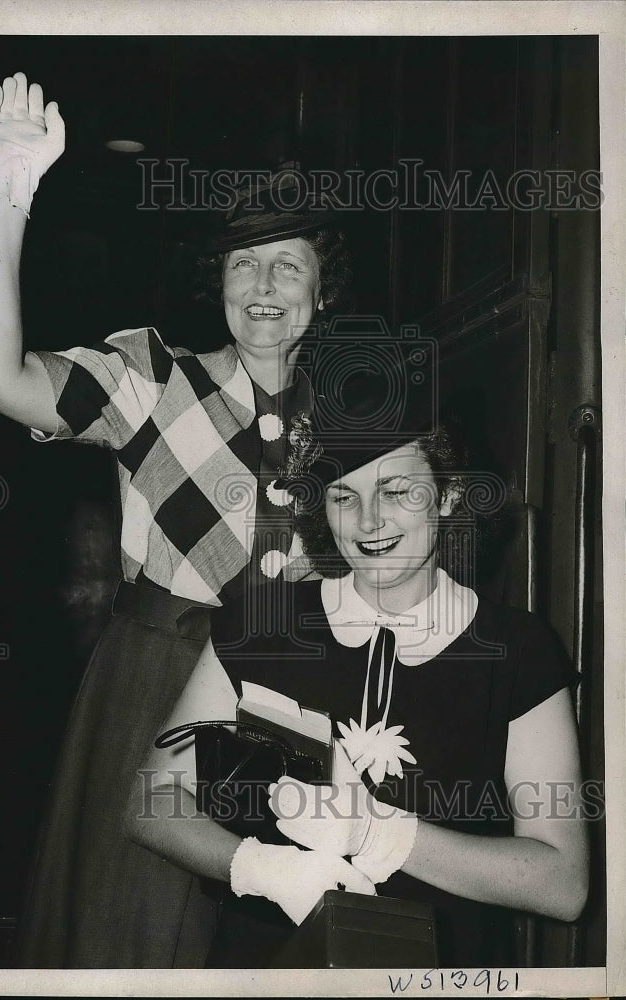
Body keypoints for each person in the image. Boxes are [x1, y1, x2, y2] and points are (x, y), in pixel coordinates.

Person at [0, 73, 354, 967]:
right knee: (127, 939)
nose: (262, 285)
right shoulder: (149, 375)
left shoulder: (352, 424)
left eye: (288, 263)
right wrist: (9, 194)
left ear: (323, 292)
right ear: (214, 280)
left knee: (266, 943)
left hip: (296, 701)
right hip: (154, 683)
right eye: (241, 264)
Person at [127, 367, 589, 968]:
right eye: (344, 495)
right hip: (267, 969)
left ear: (448, 496)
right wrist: (260, 868)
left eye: (397, 491)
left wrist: (379, 834)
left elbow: (563, 883)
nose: (368, 520)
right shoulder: (262, 622)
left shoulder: (518, 649)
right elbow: (150, 799)